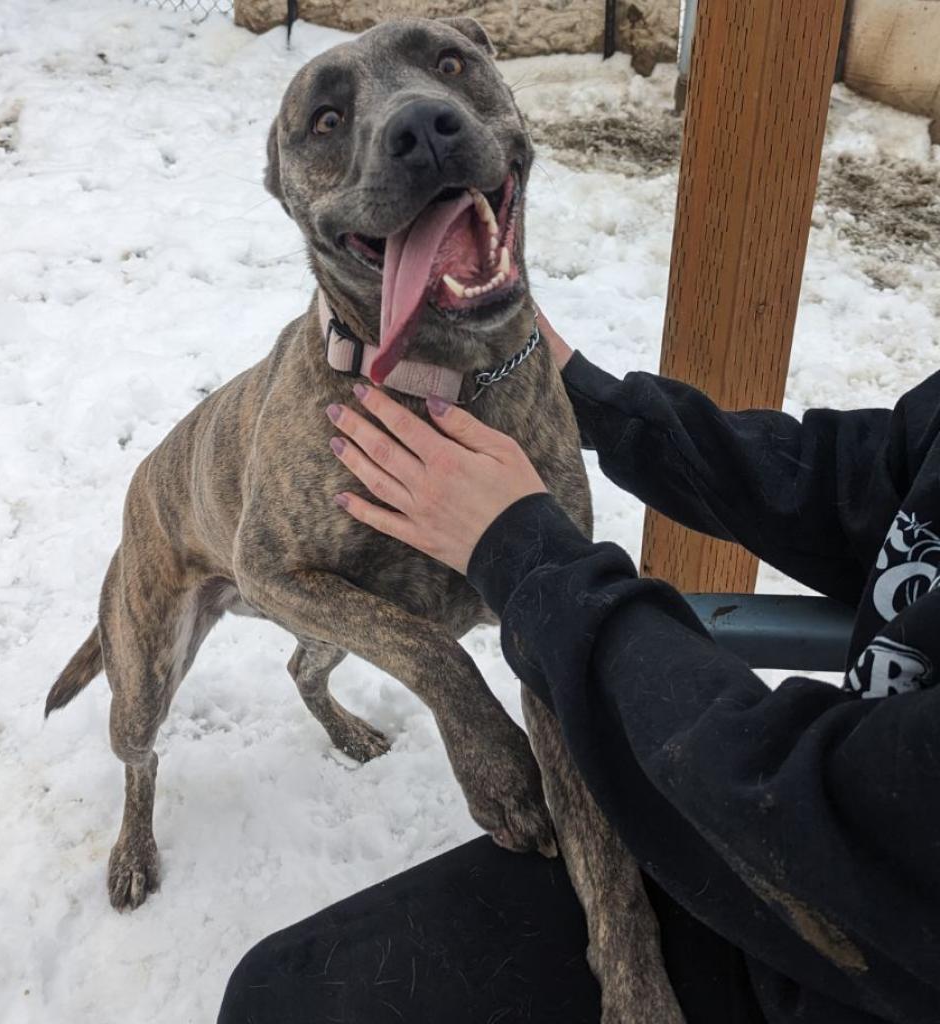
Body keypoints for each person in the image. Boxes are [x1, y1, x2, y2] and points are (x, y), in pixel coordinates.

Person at [218, 316, 940, 1024]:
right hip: (767, 830)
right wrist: (599, 401)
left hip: (839, 935)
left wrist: (524, 555)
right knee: (276, 992)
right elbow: (868, 477)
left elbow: (845, 814)